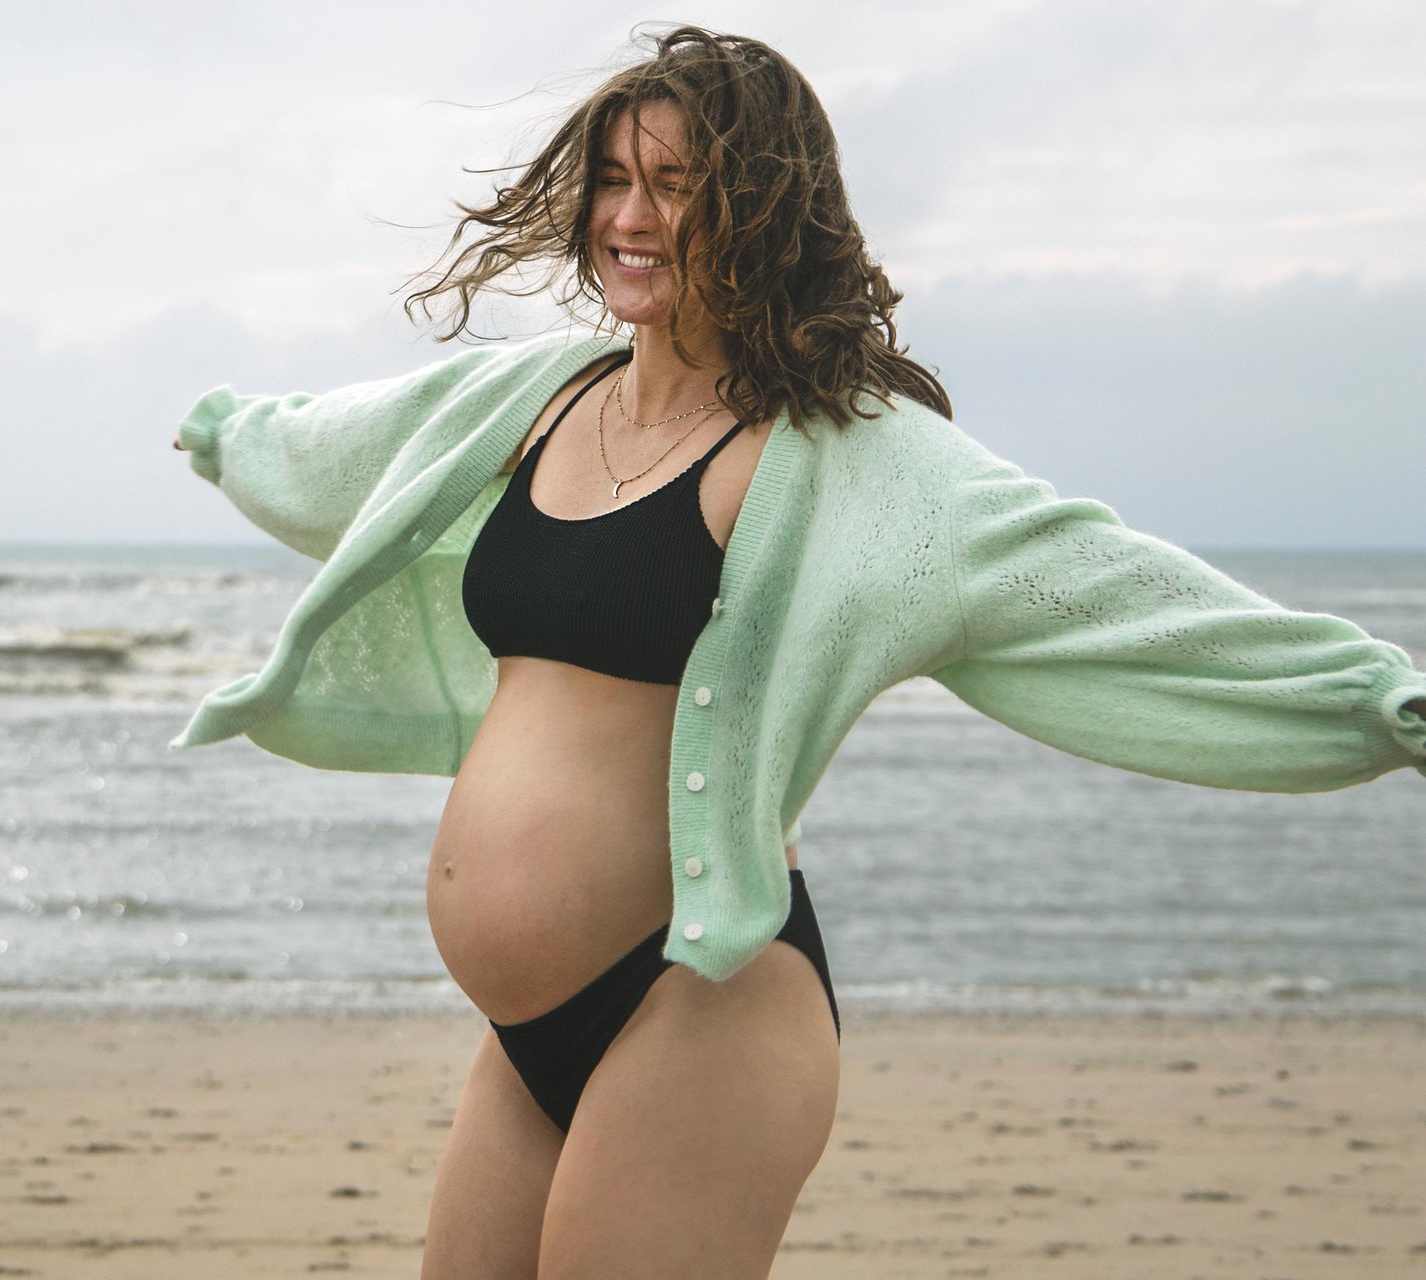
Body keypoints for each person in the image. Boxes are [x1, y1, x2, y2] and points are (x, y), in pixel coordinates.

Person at [170, 25, 1426, 1279]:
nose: (631, 215)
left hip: (697, 1010)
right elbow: (357, 454)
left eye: (677, 185)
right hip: (524, 1032)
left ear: (763, 207)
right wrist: (235, 436)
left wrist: (1386, 699)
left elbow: (1110, 590)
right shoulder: (536, 399)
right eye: (614, 178)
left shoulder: (850, 455)